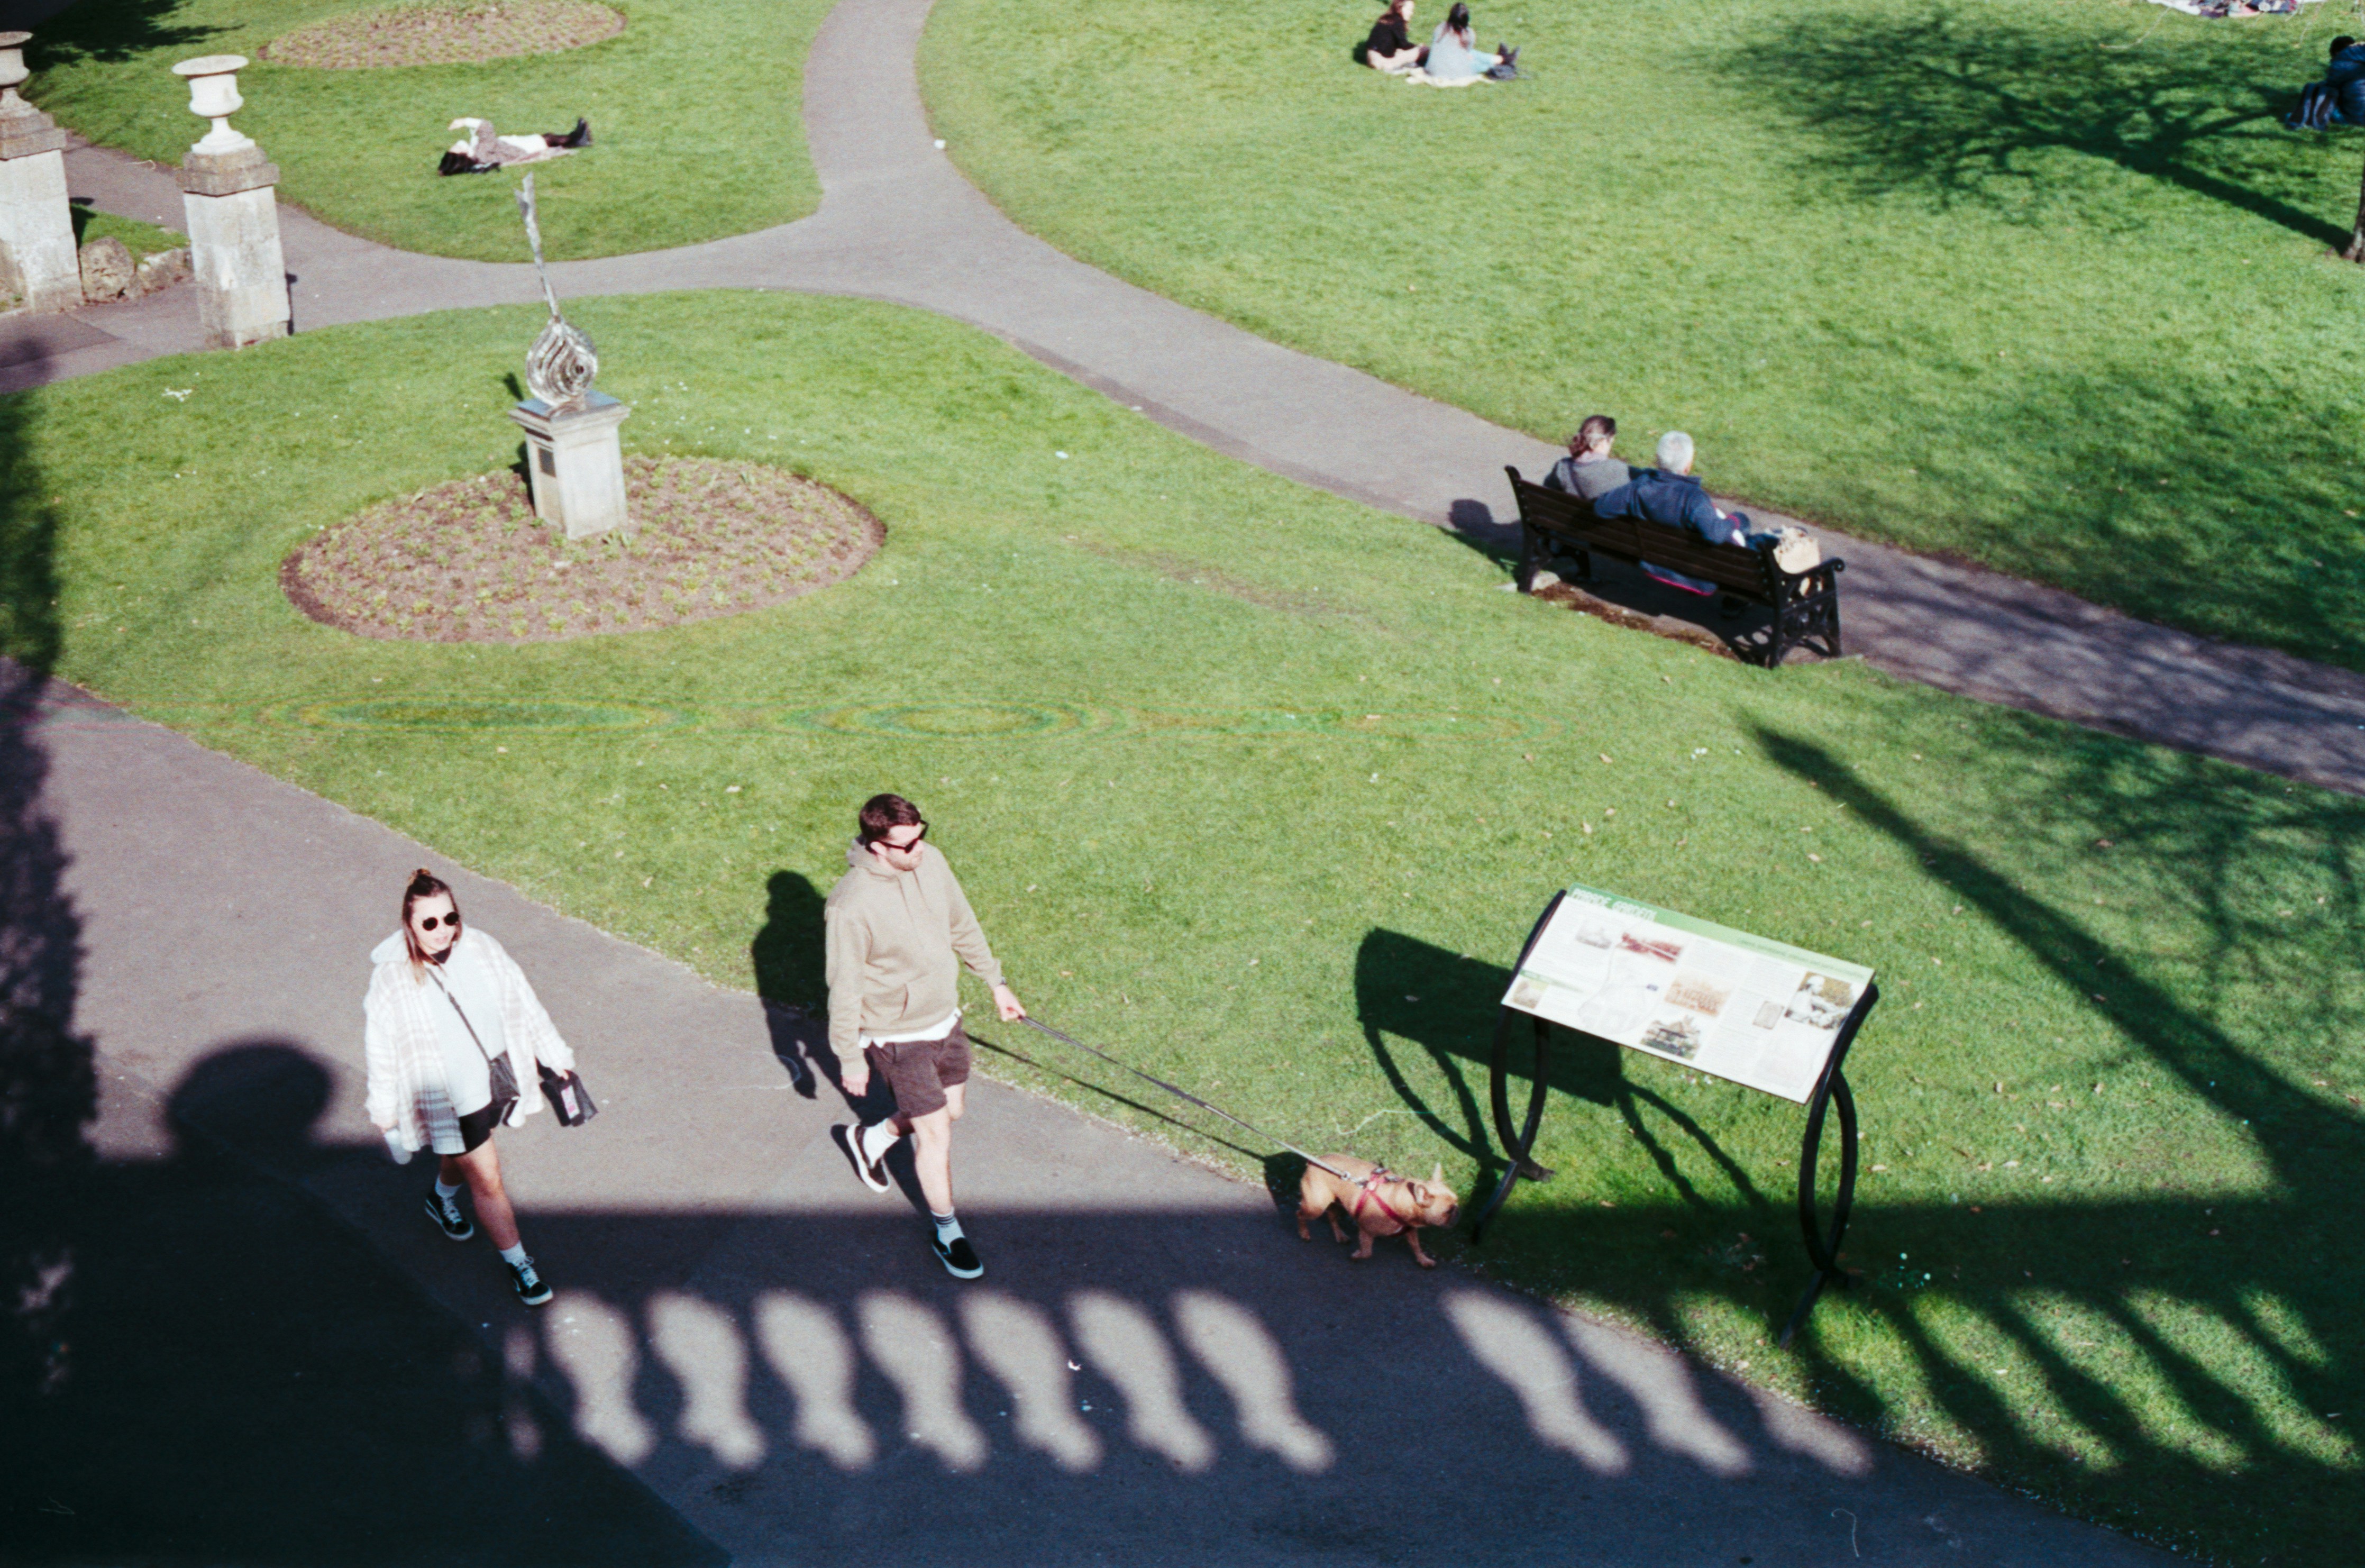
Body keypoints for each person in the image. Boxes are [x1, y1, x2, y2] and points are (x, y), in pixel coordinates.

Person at [827, 794, 1025, 1280]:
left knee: (950, 1112)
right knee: (936, 1134)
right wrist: (849, 1057)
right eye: (907, 844)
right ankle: (947, 1231)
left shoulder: (930, 860)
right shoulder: (850, 907)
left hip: (944, 1017)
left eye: (922, 834)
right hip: (895, 1036)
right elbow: (844, 986)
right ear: (877, 847)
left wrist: (995, 983)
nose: (919, 849)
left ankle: (870, 1138)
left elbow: (962, 923)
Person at [363, 869, 581, 1307]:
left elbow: (524, 1001)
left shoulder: (481, 947)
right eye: (429, 923)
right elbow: (381, 1051)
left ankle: (440, 1198)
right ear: (408, 924)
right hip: (451, 1097)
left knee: (462, 1154)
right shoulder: (392, 980)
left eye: (451, 919)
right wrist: (385, 1113)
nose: (443, 931)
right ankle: (520, 1264)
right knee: (488, 1179)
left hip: (493, 1079)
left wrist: (554, 1056)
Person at [1592, 430, 1764, 604]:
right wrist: (1737, 519)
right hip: (1695, 572)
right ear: (1688, 465)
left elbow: (1602, 508)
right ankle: (1737, 599)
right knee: (1746, 530)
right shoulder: (1693, 498)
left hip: (1655, 562)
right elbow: (1716, 534)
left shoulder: (1640, 487)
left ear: (1657, 460)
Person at [438, 116, 592, 176]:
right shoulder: (480, 153)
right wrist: (465, 122)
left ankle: (576, 137)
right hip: (519, 150)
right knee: (548, 139)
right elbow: (487, 128)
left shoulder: (477, 153)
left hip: (514, 147)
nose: (457, 145)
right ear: (462, 156)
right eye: (456, 149)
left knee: (548, 137)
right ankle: (578, 139)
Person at [1542, 414, 1633, 503]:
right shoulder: (1617, 469)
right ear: (1603, 441)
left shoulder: (1562, 467)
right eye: (1611, 442)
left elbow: (1547, 495)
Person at [1421, 3, 1517, 83]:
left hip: (1433, 70)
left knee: (1470, 56)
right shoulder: (1469, 34)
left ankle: (1501, 58)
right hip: (1459, 72)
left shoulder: (1440, 28)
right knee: (1480, 64)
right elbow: (1469, 53)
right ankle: (1503, 59)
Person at [2288, 38, 2365, 129]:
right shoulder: (2360, 56)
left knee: (2323, 92)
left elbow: (2331, 87)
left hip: (2357, 118)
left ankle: (2303, 116)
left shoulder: (2340, 62)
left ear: (2336, 52)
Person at [1362, 0, 1426, 72]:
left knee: (1401, 51)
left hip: (1370, 58)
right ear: (1399, 8)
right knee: (1424, 51)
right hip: (1382, 61)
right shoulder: (1398, 22)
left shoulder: (1386, 19)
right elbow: (1404, 45)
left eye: (1412, 11)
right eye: (1408, 10)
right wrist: (1418, 47)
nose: (1411, 13)